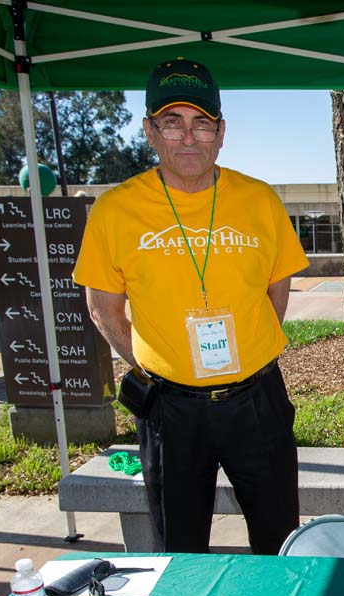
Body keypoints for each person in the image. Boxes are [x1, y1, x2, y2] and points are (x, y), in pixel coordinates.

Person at [73, 57, 309, 554]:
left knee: (279, 540)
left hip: (257, 403)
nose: (188, 137)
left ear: (221, 132)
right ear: (149, 131)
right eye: (172, 123)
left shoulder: (260, 200)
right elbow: (104, 309)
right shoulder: (115, 210)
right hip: (171, 410)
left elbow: (276, 289)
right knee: (178, 548)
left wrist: (247, 351)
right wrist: (160, 367)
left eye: (202, 124)